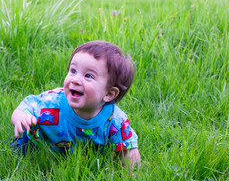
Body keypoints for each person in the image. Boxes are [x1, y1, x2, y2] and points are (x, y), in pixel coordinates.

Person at [11, 40, 141, 169]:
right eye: (73, 71)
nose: (75, 80)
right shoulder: (51, 102)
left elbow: (129, 150)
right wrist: (21, 117)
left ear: (109, 94)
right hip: (38, 149)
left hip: (85, 162)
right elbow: (26, 105)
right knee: (20, 154)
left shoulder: (116, 121)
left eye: (88, 76)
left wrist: (132, 174)